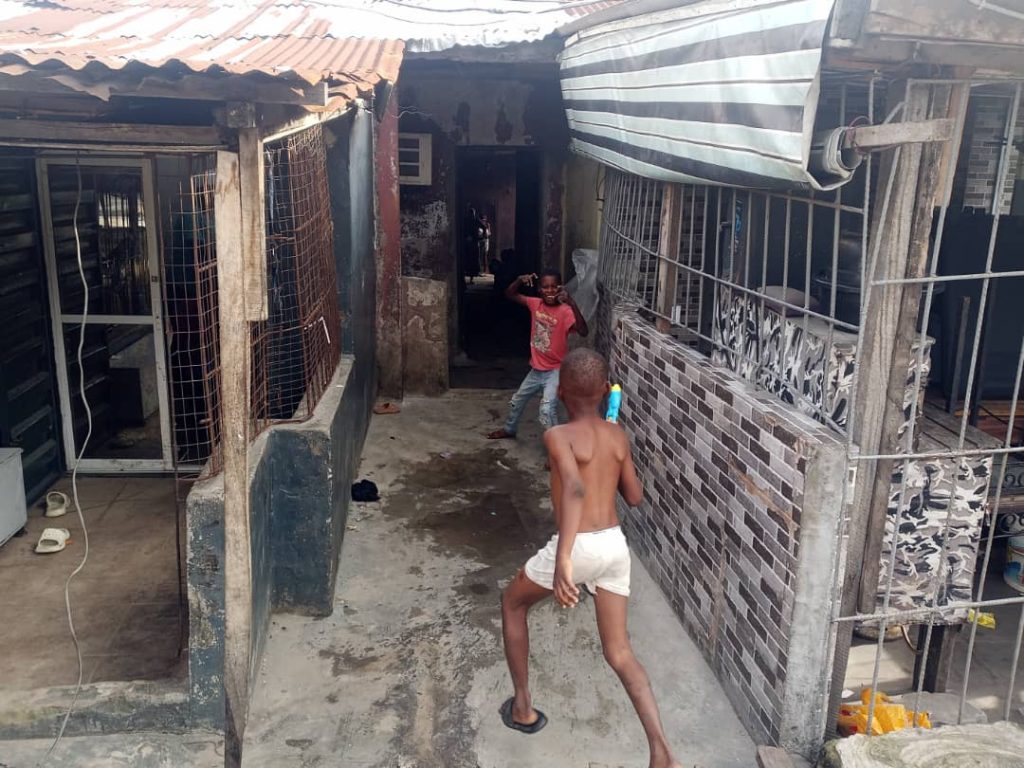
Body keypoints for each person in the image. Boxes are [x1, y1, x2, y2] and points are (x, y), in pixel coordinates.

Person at [498, 349, 682, 768]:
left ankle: (523, 707)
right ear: (604, 391)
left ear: (561, 393)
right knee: (619, 652)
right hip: (614, 547)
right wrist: (614, 453)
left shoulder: (557, 436)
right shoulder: (617, 437)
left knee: (512, 604)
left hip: (577, 544)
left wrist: (563, 560)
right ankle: (662, 752)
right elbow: (634, 497)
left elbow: (575, 489)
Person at [486, 269, 588, 440]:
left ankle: (558, 444)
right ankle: (509, 429)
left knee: (546, 409)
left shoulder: (565, 311)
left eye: (554, 287)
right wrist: (519, 280)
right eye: (545, 287)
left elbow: (584, 331)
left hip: (555, 371)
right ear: (539, 289)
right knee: (517, 401)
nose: (550, 291)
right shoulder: (535, 304)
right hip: (536, 370)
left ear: (560, 288)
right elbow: (510, 294)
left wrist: (572, 302)